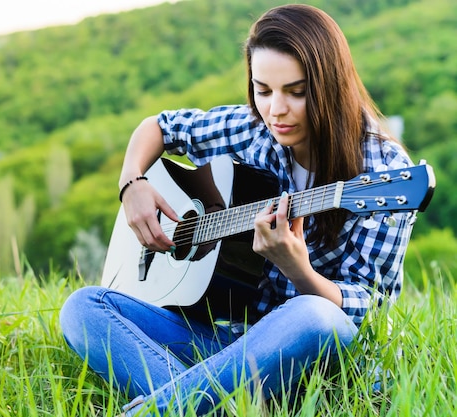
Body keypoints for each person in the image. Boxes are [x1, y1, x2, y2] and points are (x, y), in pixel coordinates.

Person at [60, 4, 416, 416]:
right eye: (263, 90)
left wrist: (297, 270)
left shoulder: (385, 172)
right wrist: (132, 182)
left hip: (319, 360)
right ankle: (224, 405)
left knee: (315, 314)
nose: (276, 110)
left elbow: (366, 313)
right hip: (232, 348)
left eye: (296, 92)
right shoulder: (252, 129)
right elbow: (159, 126)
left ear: (331, 86)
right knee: (84, 307)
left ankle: (162, 408)